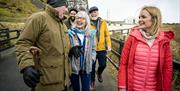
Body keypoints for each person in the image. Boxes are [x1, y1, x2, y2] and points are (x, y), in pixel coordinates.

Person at [15, 0, 73, 91]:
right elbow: (23, 43)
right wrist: (27, 66)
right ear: (56, 4)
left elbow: (62, 46)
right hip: (46, 82)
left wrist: (72, 49)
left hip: (64, 81)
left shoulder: (62, 24)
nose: (67, 10)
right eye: (65, 6)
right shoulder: (38, 18)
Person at [118, 6, 174, 91]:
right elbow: (123, 63)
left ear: (154, 19)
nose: (140, 20)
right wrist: (122, 86)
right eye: (139, 17)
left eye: (143, 17)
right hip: (133, 88)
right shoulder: (132, 37)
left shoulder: (164, 42)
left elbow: (167, 69)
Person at [68, 11, 96, 91]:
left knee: (86, 89)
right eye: (77, 18)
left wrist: (92, 60)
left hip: (86, 67)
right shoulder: (69, 33)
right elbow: (66, 48)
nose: (79, 20)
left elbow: (94, 49)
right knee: (75, 89)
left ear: (86, 21)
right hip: (73, 67)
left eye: (82, 18)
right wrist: (71, 50)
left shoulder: (91, 34)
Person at [89, 6, 112, 90]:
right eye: (92, 12)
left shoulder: (103, 22)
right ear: (90, 13)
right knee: (91, 67)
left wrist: (109, 45)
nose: (94, 13)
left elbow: (107, 34)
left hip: (102, 48)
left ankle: (99, 73)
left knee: (103, 64)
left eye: (95, 11)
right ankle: (92, 82)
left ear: (98, 12)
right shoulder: (88, 22)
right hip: (92, 49)